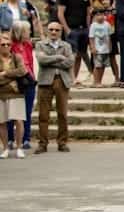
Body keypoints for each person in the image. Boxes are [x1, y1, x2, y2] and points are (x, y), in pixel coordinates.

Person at [35, 22, 75, 154]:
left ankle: (62, 142)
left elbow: (70, 62)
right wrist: (58, 57)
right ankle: (42, 143)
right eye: (51, 29)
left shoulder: (66, 45)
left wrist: (50, 60)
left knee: (62, 113)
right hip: (45, 82)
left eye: (56, 30)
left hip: (62, 81)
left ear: (61, 32)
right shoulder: (40, 44)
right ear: (47, 30)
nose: (53, 32)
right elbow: (41, 60)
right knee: (43, 114)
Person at [57, 0, 92, 84]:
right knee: (72, 55)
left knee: (81, 54)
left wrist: (88, 29)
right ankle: (71, 78)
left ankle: (75, 77)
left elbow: (88, 14)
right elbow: (60, 13)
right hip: (72, 29)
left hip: (83, 29)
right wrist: (66, 29)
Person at [0, 32, 29, 159]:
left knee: (18, 121)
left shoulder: (17, 57)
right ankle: (5, 148)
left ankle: (19, 147)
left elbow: (23, 71)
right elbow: (17, 73)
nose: (6, 46)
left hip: (17, 94)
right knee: (2, 123)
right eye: (3, 44)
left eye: (8, 44)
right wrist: (12, 77)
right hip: (1, 95)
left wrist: (4, 74)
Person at [8, 21, 35, 153]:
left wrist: (32, 77)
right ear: (20, 33)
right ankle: (10, 139)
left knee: (27, 111)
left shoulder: (28, 45)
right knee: (11, 112)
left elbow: (30, 63)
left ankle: (26, 139)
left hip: (29, 81)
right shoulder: (10, 47)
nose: (29, 33)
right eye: (27, 31)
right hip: (14, 82)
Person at [89, 9, 112, 87]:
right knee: (97, 66)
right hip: (97, 49)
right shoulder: (93, 25)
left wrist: (110, 46)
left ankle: (100, 81)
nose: (100, 17)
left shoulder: (107, 24)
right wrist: (92, 47)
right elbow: (91, 37)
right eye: (98, 15)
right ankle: (95, 81)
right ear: (95, 16)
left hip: (105, 49)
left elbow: (109, 36)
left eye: (102, 15)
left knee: (103, 66)